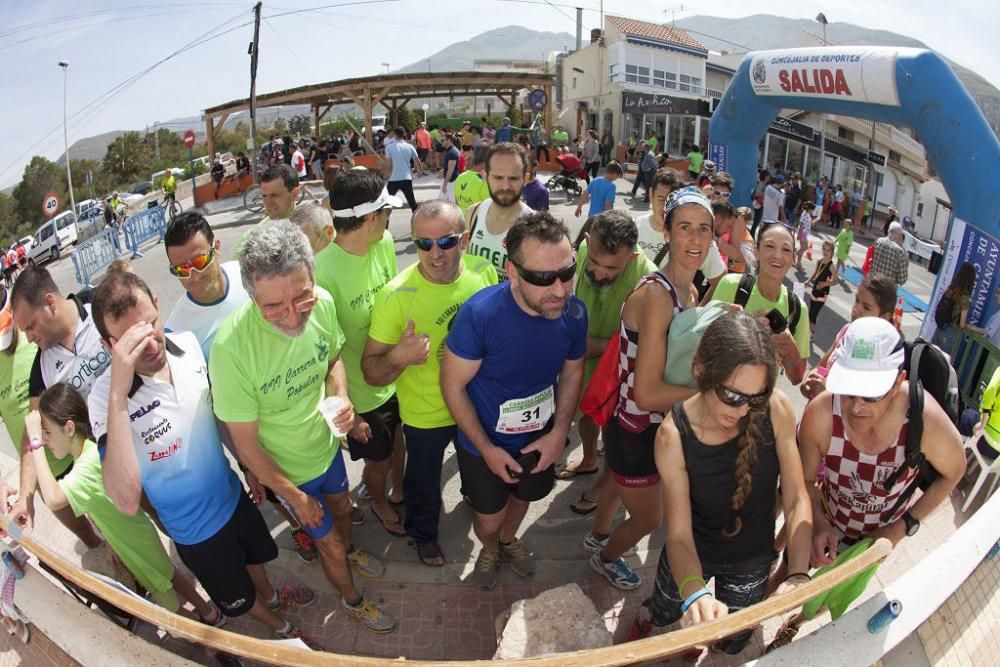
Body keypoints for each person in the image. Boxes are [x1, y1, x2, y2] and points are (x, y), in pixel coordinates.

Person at [88, 271, 321, 648]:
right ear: (108, 345)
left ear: (158, 307)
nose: (149, 343)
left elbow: (216, 414)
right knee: (239, 598)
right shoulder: (103, 399)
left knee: (256, 559)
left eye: (151, 324)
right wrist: (118, 388)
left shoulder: (187, 345)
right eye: (132, 340)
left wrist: (246, 465)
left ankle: (274, 596)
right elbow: (126, 499)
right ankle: (278, 626)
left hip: (232, 497)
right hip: (195, 531)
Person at [210, 221, 394, 633]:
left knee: (345, 510)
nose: (292, 316)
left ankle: (347, 549)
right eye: (273, 306)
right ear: (251, 294)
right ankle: (353, 600)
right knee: (325, 541)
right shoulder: (230, 349)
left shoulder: (324, 303)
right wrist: (294, 496)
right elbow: (246, 445)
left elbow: (332, 360)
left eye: (301, 296)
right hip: (286, 473)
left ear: (312, 276)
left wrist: (342, 397)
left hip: (326, 450)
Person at [772, 317, 966, 651]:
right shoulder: (822, 413)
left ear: (898, 382)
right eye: (848, 390)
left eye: (871, 395)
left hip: (874, 538)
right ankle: (745, 626)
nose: (856, 407)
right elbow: (804, 480)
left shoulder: (925, 421)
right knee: (788, 568)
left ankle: (795, 624)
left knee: (826, 597)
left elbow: (954, 471)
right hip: (826, 516)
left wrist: (903, 527)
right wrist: (819, 523)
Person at [627, 310, 813, 655]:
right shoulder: (672, 436)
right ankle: (653, 621)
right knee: (665, 610)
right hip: (692, 552)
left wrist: (797, 573)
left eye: (756, 397)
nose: (743, 411)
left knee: (732, 639)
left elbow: (797, 498)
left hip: (753, 558)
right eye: (732, 396)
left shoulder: (777, 409)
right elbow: (679, 535)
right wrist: (695, 592)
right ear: (700, 370)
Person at [441, 212, 586, 590]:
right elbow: (453, 386)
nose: (559, 289)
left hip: (539, 441)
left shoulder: (574, 312)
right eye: (542, 278)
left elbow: (572, 372)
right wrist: (486, 448)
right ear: (512, 271)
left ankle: (508, 540)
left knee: (523, 499)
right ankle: (490, 544)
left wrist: (559, 433)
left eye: (567, 273)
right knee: (488, 518)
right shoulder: (479, 315)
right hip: (483, 445)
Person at [585, 187, 711, 591]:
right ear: (667, 230)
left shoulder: (688, 289)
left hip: (644, 425)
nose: (694, 239)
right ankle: (605, 557)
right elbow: (647, 394)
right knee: (649, 519)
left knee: (617, 486)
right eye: (685, 228)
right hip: (637, 427)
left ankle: (597, 533)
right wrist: (710, 391)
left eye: (703, 229)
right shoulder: (658, 295)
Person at [364, 200, 498, 566]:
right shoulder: (396, 296)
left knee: (477, 471)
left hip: (475, 405)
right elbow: (370, 370)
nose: (435, 253)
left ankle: (473, 496)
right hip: (426, 416)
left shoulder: (484, 272)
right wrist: (397, 357)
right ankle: (423, 536)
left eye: (446, 242)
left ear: (465, 239)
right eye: (423, 244)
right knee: (422, 486)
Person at [27, 384, 220, 620]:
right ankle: (209, 612)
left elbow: (53, 498)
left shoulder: (85, 467)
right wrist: (110, 541)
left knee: (171, 612)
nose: (45, 441)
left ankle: (206, 635)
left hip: (136, 548)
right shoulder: (90, 451)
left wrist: (34, 443)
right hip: (136, 537)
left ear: (68, 428)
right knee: (169, 575)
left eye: (47, 433)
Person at [316, 170, 406, 540]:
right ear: (370, 217)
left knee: (399, 442)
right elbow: (323, 355)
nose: (390, 220)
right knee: (378, 459)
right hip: (361, 392)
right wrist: (346, 411)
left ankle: (397, 490)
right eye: (387, 212)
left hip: (396, 375)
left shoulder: (383, 245)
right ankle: (378, 499)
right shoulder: (322, 274)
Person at [558, 211, 656, 513]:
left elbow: (650, 345)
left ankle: (604, 484)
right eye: (595, 263)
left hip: (622, 370)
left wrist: (595, 345)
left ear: (631, 257)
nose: (599, 274)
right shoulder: (583, 249)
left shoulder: (648, 280)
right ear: (587, 243)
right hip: (583, 361)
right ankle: (589, 458)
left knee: (617, 433)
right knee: (585, 415)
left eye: (611, 268)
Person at [8, 268, 105, 548]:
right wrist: (26, 497)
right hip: (98, 463)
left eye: (30, 326)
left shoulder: (98, 304)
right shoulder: (42, 370)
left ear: (50, 302)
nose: (27, 337)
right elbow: (32, 430)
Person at [705, 222, 810, 385]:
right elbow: (703, 347)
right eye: (769, 246)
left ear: (793, 259)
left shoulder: (797, 309)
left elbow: (797, 378)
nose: (777, 255)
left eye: (786, 249)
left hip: (760, 402)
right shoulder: (731, 286)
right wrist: (748, 331)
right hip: (718, 392)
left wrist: (791, 349)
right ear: (756, 251)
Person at [800, 275, 898, 401]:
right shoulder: (847, 330)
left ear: (884, 317)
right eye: (857, 300)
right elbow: (821, 367)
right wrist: (809, 378)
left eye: (866, 307)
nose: (856, 309)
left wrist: (827, 391)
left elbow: (860, 404)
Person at [467, 142, 533, 282]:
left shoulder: (535, 227)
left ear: (525, 179)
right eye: (498, 177)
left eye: (513, 178)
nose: (505, 186)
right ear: (485, 177)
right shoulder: (473, 213)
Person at [233, 163, 301, 259]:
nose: (268, 203)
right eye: (264, 196)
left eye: (274, 195)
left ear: (294, 194)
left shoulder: (315, 230)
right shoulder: (251, 239)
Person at [635, 168, 683, 262]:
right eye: (661, 199)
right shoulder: (633, 229)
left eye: (672, 201)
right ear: (650, 195)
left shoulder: (688, 238)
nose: (666, 208)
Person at [931, 262, 976, 353]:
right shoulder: (965, 298)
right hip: (950, 334)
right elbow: (962, 324)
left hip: (939, 328)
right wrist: (969, 327)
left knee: (930, 355)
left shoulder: (950, 289)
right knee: (942, 362)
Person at [384, 127, 422, 211]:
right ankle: (418, 221)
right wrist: (419, 171)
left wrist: (386, 176)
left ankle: (384, 223)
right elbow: (417, 161)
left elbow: (389, 165)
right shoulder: (409, 146)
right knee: (412, 203)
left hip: (394, 178)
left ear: (395, 134)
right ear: (403, 134)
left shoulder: (389, 147)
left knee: (386, 203)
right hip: (406, 178)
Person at [806, 240, 838, 333]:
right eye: (824, 249)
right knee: (810, 313)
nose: (825, 252)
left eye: (828, 250)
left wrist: (825, 284)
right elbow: (815, 272)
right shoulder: (819, 261)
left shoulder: (831, 266)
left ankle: (811, 333)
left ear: (832, 252)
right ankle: (808, 331)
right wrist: (808, 281)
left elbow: (836, 281)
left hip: (823, 293)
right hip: (815, 289)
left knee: (814, 313)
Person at [972, 366, 1000, 461]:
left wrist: (982, 424)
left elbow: (989, 391)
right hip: (997, 456)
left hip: (984, 441)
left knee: (966, 415)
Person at [870, 221, 909, 287]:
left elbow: (870, 258)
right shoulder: (899, 251)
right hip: (887, 289)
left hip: (873, 283)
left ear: (888, 231)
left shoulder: (878, 241)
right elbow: (902, 279)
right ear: (899, 235)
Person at [453, 145, 490, 214]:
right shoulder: (485, 182)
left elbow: (457, 204)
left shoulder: (460, 177)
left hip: (462, 221)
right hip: (477, 223)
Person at [795, 200, 817, 269]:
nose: (812, 211)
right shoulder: (805, 214)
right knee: (804, 248)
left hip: (804, 233)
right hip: (802, 233)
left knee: (803, 248)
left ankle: (798, 262)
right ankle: (794, 254)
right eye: (812, 210)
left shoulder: (807, 214)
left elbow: (810, 223)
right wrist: (799, 234)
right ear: (809, 209)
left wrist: (817, 219)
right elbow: (801, 225)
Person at [439, 134, 461, 202]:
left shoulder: (452, 152)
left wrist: (445, 184)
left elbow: (450, 170)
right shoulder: (451, 151)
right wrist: (444, 170)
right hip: (450, 182)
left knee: (447, 204)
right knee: (441, 203)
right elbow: (450, 167)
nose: (441, 142)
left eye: (442, 140)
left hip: (451, 182)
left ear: (449, 140)